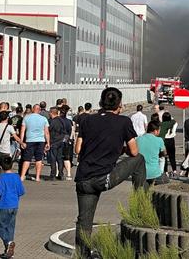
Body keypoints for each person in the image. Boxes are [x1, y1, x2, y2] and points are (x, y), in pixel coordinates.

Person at [74, 87, 146, 258]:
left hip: (83, 179)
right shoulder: (123, 122)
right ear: (119, 104)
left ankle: (82, 254)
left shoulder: (87, 121)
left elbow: (78, 149)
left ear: (101, 102)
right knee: (139, 160)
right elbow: (134, 152)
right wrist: (120, 149)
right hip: (103, 177)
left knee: (84, 221)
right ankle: (141, 203)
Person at [0, 156, 25, 258]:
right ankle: (8, 251)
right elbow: (21, 191)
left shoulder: (1, 177)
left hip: (4, 206)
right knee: (10, 228)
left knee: (0, 228)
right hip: (14, 205)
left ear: (1, 166)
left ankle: (9, 243)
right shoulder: (16, 176)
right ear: (12, 165)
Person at [20, 105, 50, 182]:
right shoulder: (44, 119)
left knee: (27, 159)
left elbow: (22, 131)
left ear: (33, 109)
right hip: (40, 140)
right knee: (39, 159)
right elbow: (46, 132)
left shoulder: (26, 118)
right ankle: (37, 177)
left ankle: (22, 176)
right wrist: (48, 142)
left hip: (29, 140)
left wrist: (21, 141)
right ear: (39, 110)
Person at [137, 120, 168, 185]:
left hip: (140, 173)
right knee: (166, 179)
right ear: (156, 131)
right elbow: (164, 153)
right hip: (154, 173)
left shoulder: (138, 139)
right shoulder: (159, 140)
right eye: (159, 130)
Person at [47, 107, 69, 180]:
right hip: (61, 142)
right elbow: (66, 132)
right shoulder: (62, 120)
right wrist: (65, 141)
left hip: (54, 142)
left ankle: (53, 175)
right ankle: (61, 174)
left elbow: (48, 131)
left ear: (51, 113)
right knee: (60, 158)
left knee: (53, 159)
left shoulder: (52, 121)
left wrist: (47, 142)